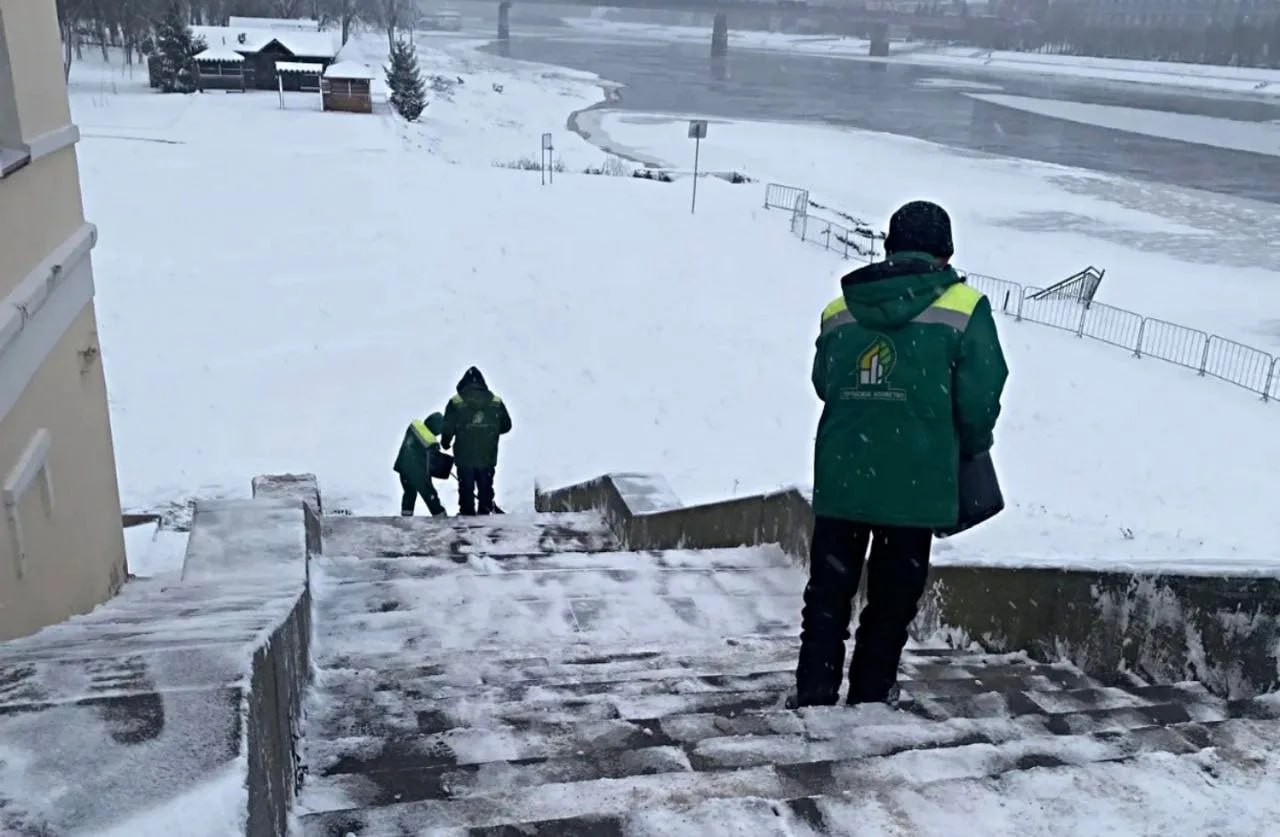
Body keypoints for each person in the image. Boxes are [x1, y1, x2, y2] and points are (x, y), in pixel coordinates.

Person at [791, 200, 1008, 709]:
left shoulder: (840, 309)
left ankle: (814, 694)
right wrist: (971, 447)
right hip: (917, 484)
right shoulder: (964, 308)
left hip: (844, 479)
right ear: (946, 251)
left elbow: (826, 384)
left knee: (826, 597)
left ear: (888, 246)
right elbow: (980, 397)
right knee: (891, 602)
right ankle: (870, 698)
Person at [441, 367, 512, 516]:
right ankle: (485, 518)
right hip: (487, 455)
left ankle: (467, 520)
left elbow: (448, 427)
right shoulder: (495, 402)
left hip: (465, 457)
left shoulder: (456, 402)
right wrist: (489, 431)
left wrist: (445, 442)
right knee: (486, 488)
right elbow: (507, 425)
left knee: (466, 489)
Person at [393, 412, 448, 517]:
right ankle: (441, 517)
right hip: (418, 472)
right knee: (430, 495)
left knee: (409, 494)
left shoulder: (414, 427)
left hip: (403, 468)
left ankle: (406, 518)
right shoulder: (431, 441)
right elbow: (433, 462)